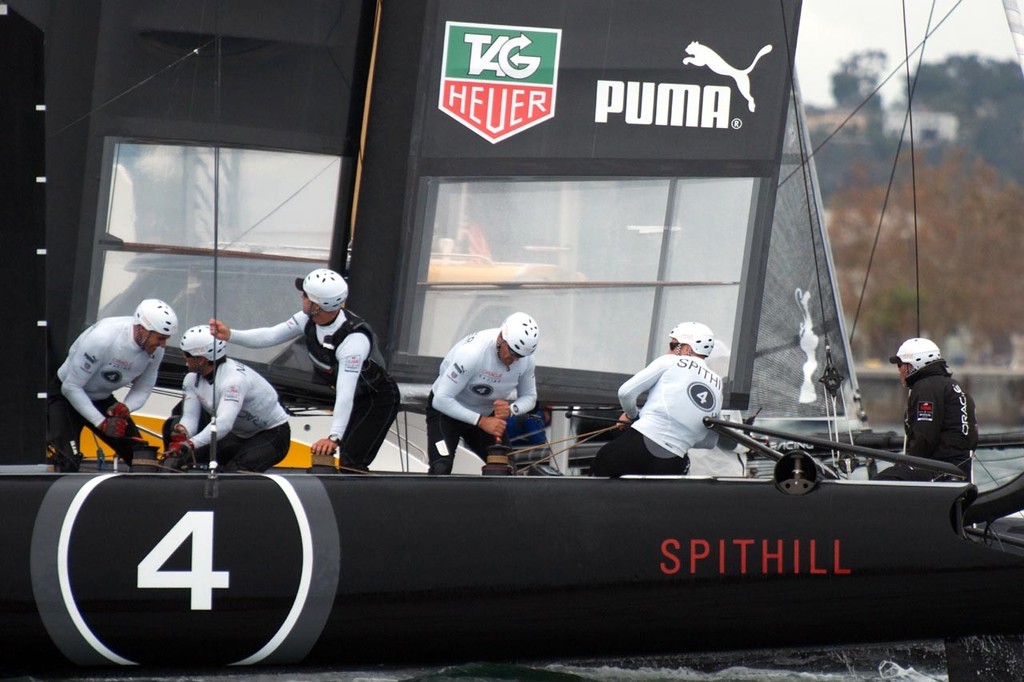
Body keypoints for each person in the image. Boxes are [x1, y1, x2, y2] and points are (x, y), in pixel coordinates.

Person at [208, 269, 400, 472]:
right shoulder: (307, 318)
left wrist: (334, 437)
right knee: (345, 458)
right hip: (352, 394)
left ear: (317, 305)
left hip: (376, 399)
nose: (302, 296)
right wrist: (230, 335)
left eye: (305, 295)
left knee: (351, 462)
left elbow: (346, 394)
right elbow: (270, 336)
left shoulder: (353, 341)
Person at [46, 299, 178, 471]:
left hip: (102, 399)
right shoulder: (102, 339)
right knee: (67, 462)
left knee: (142, 459)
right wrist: (101, 423)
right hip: (66, 398)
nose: (163, 345)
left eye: (166, 339)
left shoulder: (156, 351)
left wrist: (125, 407)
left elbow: (143, 388)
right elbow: (71, 387)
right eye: (160, 338)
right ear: (143, 329)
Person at [591, 322, 723, 478]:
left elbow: (625, 393)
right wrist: (683, 438)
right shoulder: (718, 383)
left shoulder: (670, 361)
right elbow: (710, 441)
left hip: (639, 445)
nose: (668, 350)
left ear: (687, 348)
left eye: (673, 345)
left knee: (599, 470)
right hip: (674, 462)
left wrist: (632, 415)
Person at [163, 326, 291, 472]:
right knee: (187, 461)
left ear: (201, 359)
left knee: (236, 470)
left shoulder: (233, 380)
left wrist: (191, 444)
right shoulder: (191, 380)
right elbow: (190, 417)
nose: (183, 358)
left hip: (272, 433)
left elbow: (223, 424)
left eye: (186, 354)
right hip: (239, 434)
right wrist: (183, 432)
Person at [426, 312, 539, 475]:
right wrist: (481, 421)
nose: (513, 359)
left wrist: (511, 410)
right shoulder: (473, 353)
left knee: (507, 470)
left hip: (485, 414)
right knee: (441, 468)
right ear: (501, 338)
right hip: (447, 413)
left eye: (520, 356)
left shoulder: (526, 361)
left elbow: (530, 397)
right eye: (512, 351)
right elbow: (440, 400)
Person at [877, 337, 978, 481]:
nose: (899, 370)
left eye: (900, 365)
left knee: (882, 481)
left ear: (913, 364)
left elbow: (924, 436)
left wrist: (908, 464)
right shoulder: (952, 385)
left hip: (938, 471)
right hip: (960, 471)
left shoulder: (926, 388)